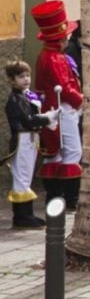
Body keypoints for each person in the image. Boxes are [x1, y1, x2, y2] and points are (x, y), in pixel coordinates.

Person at [31, 0, 84, 211]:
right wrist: (81, 99)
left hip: (51, 110)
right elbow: (65, 87)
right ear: (60, 38)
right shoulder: (57, 59)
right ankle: (71, 199)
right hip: (63, 110)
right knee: (72, 153)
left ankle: (54, 198)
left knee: (54, 154)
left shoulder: (45, 55)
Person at [2, 60, 59, 229]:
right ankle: (22, 216)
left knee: (26, 177)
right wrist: (48, 117)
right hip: (22, 139)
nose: (26, 79)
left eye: (27, 75)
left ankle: (27, 214)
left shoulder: (25, 96)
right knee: (22, 177)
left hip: (30, 139)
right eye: (21, 76)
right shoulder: (15, 99)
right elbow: (28, 121)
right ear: (12, 80)